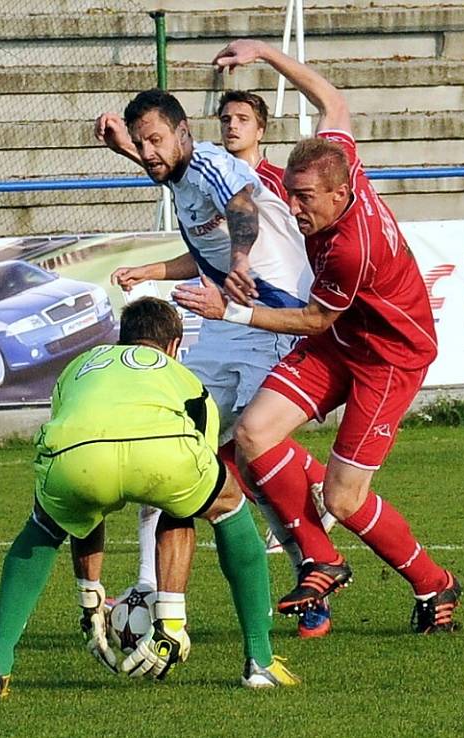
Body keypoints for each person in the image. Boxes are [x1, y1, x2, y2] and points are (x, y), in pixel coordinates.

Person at [173, 38, 461, 634]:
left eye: (304, 200)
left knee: (344, 499)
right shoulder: (338, 161)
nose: (296, 209)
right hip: (343, 340)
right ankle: (320, 559)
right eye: (293, 195)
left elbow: (310, 321)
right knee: (252, 434)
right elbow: (331, 100)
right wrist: (267, 54)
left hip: (388, 358)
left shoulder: (351, 249)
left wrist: (228, 311)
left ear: (337, 195)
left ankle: (435, 584)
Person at [0, 297, 300, 700]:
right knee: (223, 504)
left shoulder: (82, 366)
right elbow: (191, 475)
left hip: (78, 459)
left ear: (119, 341)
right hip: (166, 457)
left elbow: (84, 509)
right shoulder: (182, 375)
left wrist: (91, 602)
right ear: (174, 346)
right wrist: (171, 612)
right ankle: (255, 660)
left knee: (48, 524)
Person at [94, 89, 334, 637]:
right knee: (166, 443)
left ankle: (312, 568)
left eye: (156, 139)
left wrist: (244, 259)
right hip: (225, 330)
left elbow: (241, 207)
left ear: (183, 132)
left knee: (256, 460)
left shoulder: (212, 164)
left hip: (269, 323)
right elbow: (197, 227)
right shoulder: (180, 176)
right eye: (143, 142)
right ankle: (148, 588)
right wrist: (127, 152)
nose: (150, 151)